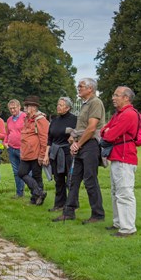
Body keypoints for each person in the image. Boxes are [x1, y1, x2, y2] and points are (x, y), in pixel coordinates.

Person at [53, 78, 105, 223]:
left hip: (91, 145)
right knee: (73, 180)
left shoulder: (95, 102)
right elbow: (82, 127)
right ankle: (69, 211)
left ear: (90, 89)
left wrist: (78, 143)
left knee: (90, 180)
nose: (78, 88)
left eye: (81, 86)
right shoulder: (85, 104)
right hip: (82, 144)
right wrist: (73, 137)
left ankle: (98, 214)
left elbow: (92, 128)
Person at [100, 86, 139, 237]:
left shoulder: (128, 114)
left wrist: (108, 132)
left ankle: (128, 228)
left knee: (124, 193)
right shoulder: (119, 114)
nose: (113, 98)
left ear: (126, 98)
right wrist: (107, 131)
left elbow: (109, 135)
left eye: (117, 95)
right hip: (117, 157)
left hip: (124, 157)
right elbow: (105, 131)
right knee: (116, 192)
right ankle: (119, 223)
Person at [43, 98, 77, 211]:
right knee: (58, 180)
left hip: (68, 153)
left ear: (68, 108)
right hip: (55, 153)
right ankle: (59, 204)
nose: (58, 107)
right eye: (58, 104)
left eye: (61, 105)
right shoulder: (54, 120)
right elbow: (50, 139)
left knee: (70, 180)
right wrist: (46, 155)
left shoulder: (74, 120)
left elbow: (79, 133)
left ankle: (72, 204)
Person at [18, 96, 50, 205]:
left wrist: (42, 155)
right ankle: (39, 193)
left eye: (27, 106)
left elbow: (44, 138)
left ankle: (36, 199)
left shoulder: (40, 120)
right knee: (21, 173)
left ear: (33, 107)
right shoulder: (27, 118)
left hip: (36, 154)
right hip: (26, 153)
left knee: (37, 177)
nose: (24, 107)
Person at [4, 99, 27, 199]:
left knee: (25, 171)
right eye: (10, 108)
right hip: (11, 148)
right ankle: (19, 192)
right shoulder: (9, 119)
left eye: (14, 108)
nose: (12, 110)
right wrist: (5, 142)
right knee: (16, 172)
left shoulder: (24, 117)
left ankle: (35, 190)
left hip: (23, 148)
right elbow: (7, 133)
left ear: (19, 107)